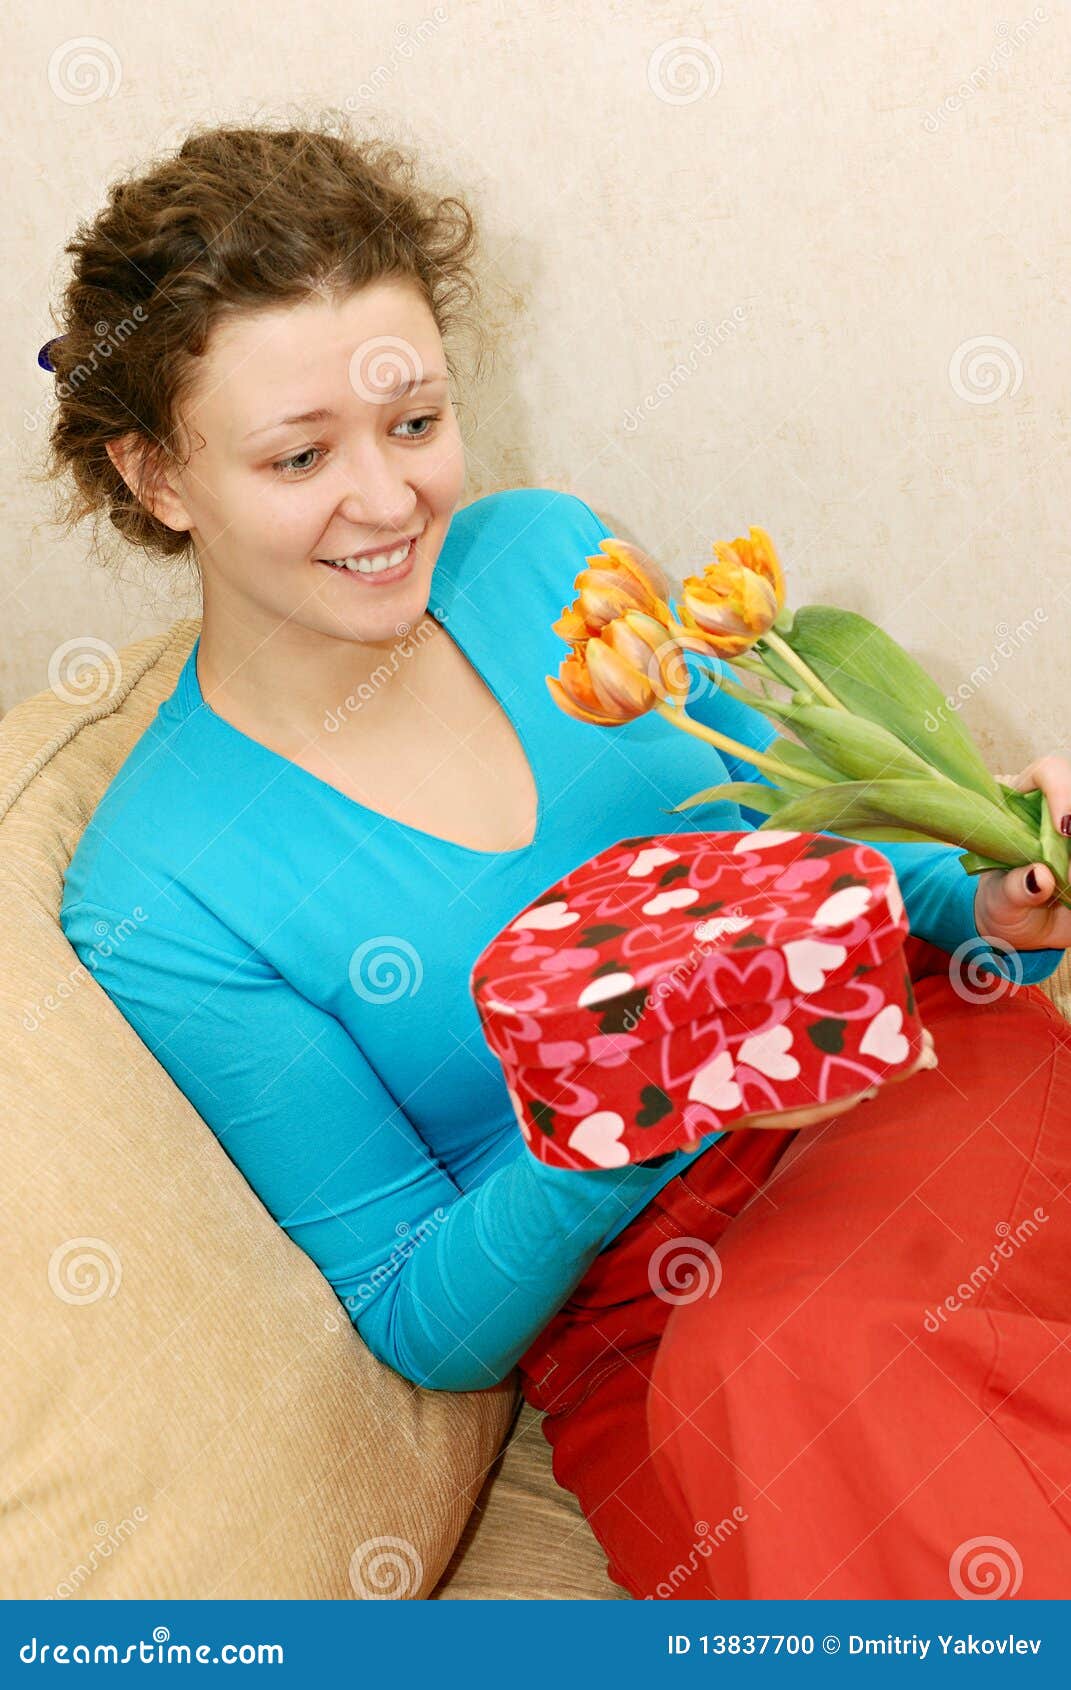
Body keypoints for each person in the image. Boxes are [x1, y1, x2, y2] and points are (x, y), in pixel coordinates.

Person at [47, 119, 1071, 1600]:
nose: (388, 500)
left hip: (899, 1102)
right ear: (157, 475)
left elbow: (808, 850)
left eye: (414, 423)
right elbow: (418, 1314)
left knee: (798, 1354)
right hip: (646, 1315)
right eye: (300, 455)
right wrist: (623, 1105)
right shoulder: (161, 890)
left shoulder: (543, 557)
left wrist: (988, 894)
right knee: (764, 1373)